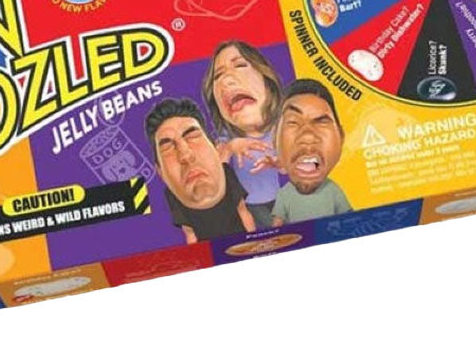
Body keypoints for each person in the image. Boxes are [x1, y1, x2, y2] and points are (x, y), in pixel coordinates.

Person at [145, 98, 255, 243]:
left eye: (192, 136)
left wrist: (253, 242)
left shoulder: (227, 173)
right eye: (167, 147)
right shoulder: (172, 196)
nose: (185, 155)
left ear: (217, 149)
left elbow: (243, 211)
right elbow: (189, 233)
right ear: (160, 173)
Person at [201, 40, 283, 229]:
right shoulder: (227, 135)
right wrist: (231, 146)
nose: (226, 80)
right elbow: (215, 165)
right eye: (218, 76)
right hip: (248, 205)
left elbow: (289, 168)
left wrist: (277, 163)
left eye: (239, 65)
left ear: (267, 81)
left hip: (277, 199)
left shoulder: (281, 128)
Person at [271, 79, 351, 224]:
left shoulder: (334, 191)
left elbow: (351, 220)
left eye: (322, 122)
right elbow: (277, 225)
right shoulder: (284, 194)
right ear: (274, 139)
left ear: (341, 137)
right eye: (293, 122)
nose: (308, 136)